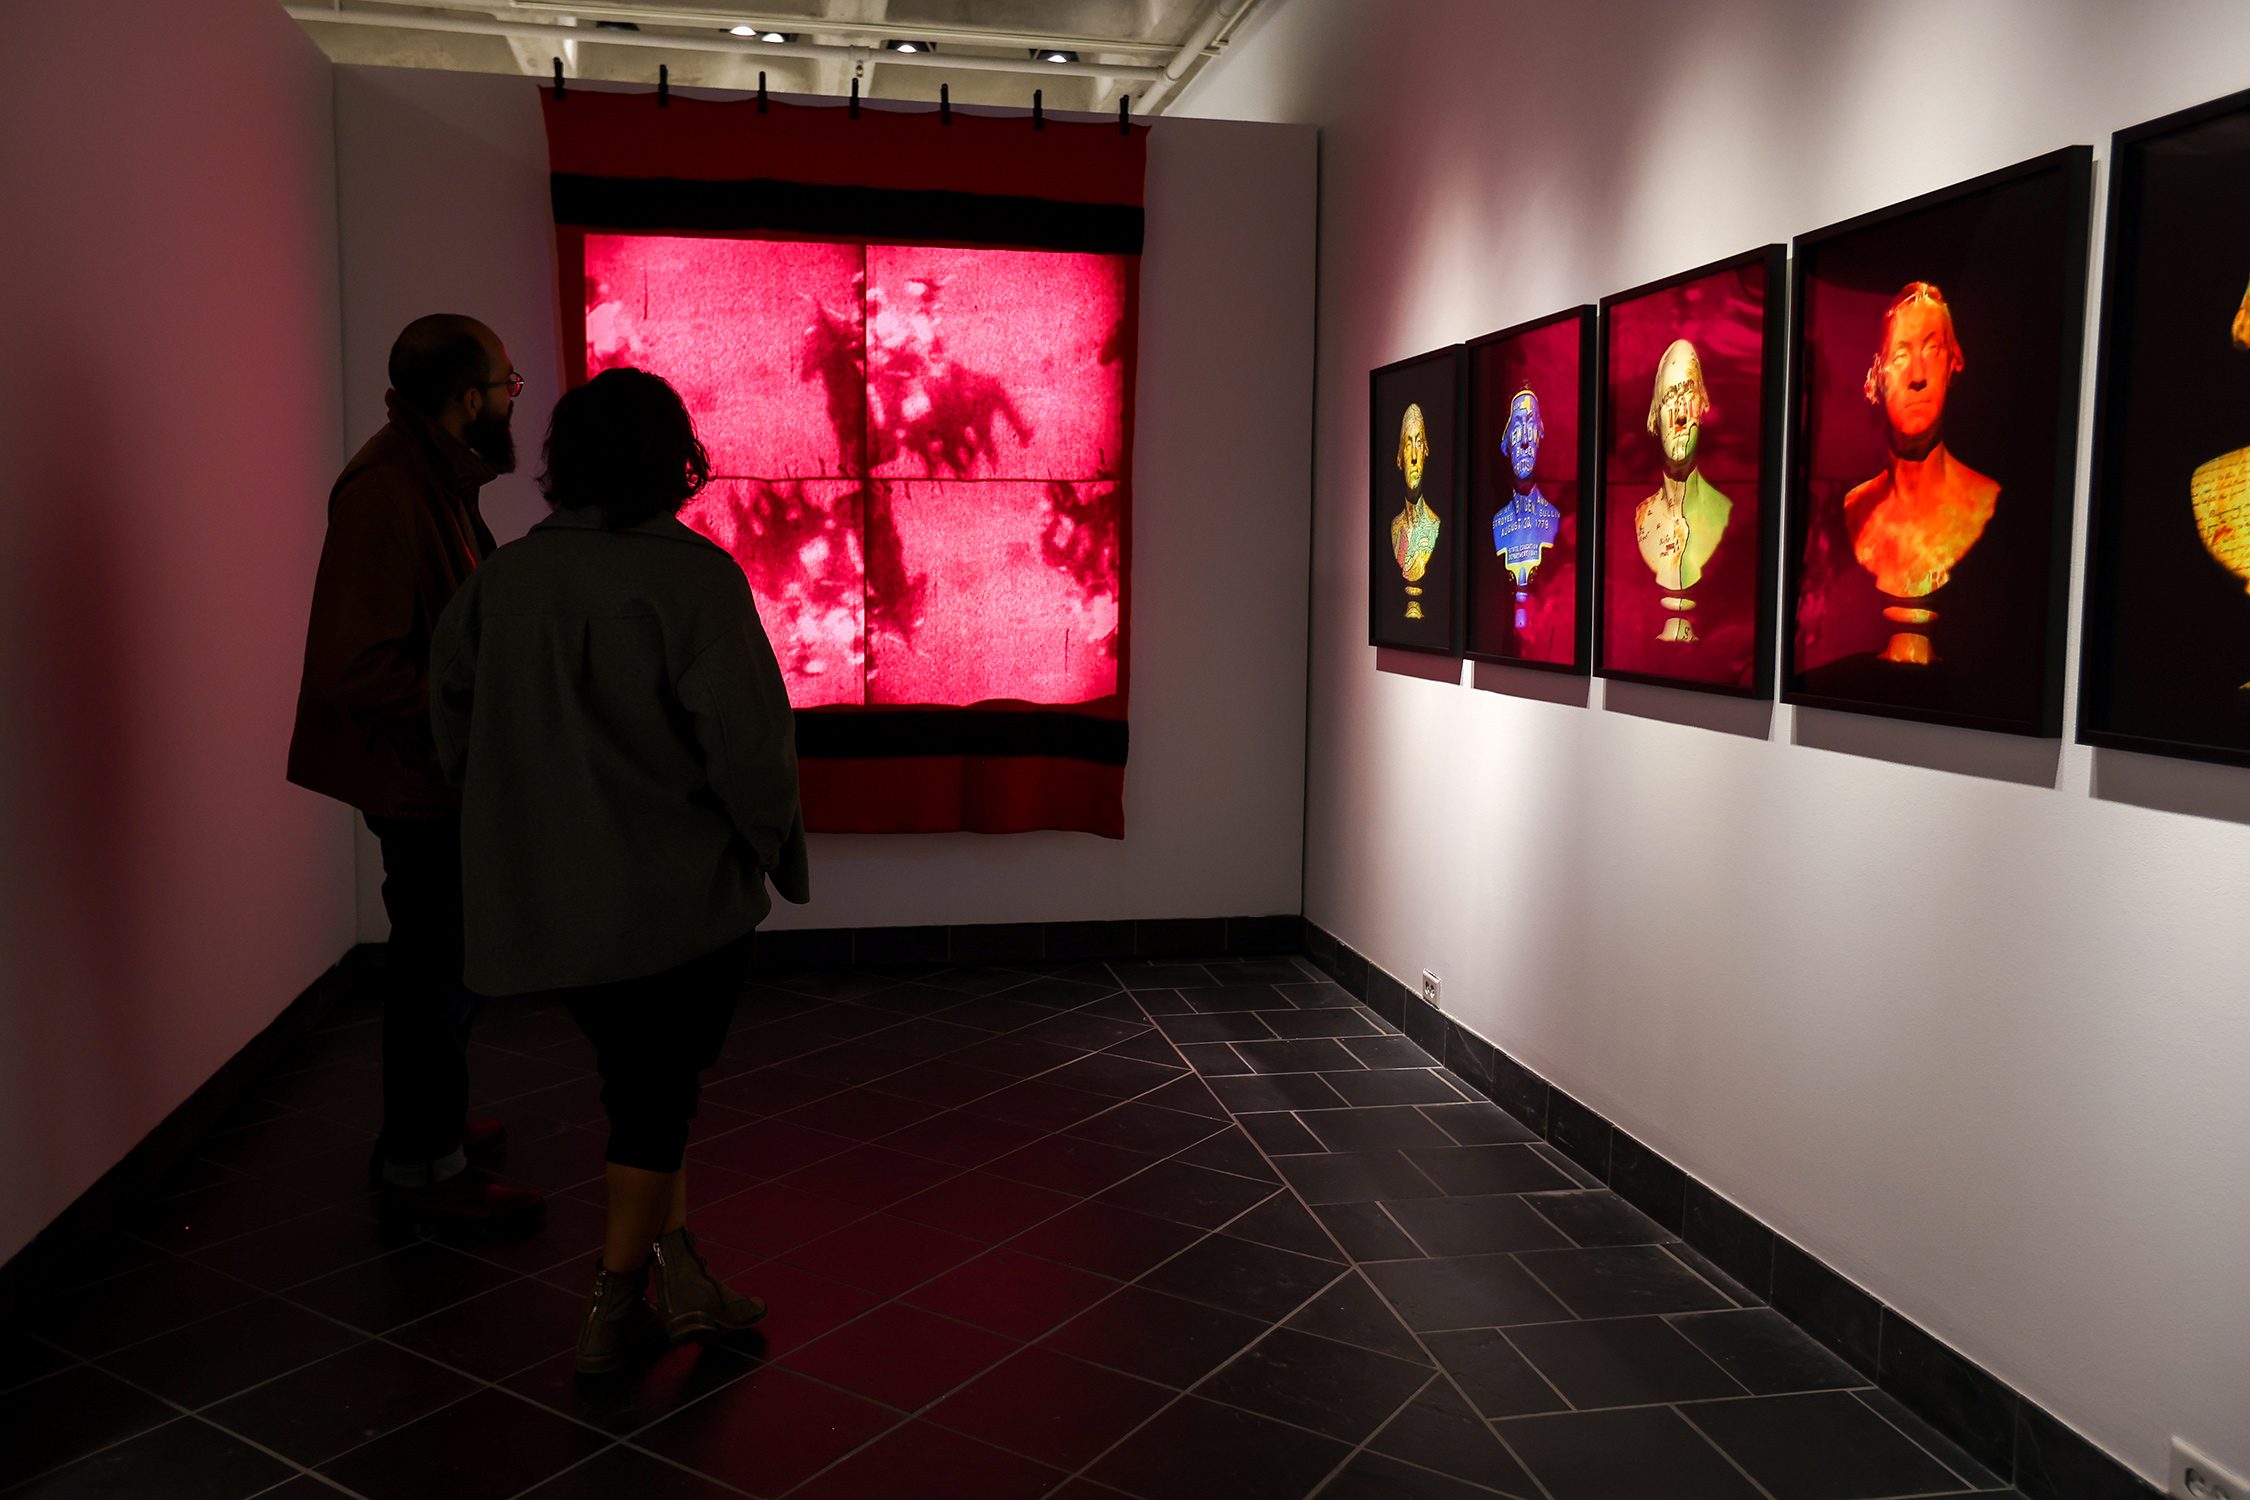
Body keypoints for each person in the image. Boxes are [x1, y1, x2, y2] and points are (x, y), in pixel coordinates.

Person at [430, 367, 809, 1376]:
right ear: (671, 457)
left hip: (555, 900)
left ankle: (682, 1280)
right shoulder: (693, 581)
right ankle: (612, 1311)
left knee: (642, 1082)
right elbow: (751, 751)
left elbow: (454, 729)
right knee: (655, 1100)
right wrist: (772, 845)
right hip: (679, 900)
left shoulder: (501, 582)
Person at [287, 313, 543, 1230]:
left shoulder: (433, 476)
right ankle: (423, 1165)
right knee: (436, 970)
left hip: (436, 772)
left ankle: (425, 1128)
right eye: (509, 385)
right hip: (419, 779)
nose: (516, 400)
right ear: (467, 398)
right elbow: (354, 666)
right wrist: (471, 704)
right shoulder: (389, 492)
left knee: (446, 963)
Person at [1843, 282, 2000, 664]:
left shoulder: (1987, 504)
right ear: (1877, 375)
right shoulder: (1853, 510)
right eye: (1901, 354)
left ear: (1953, 363)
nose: (1917, 374)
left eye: (1932, 350)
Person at [1631, 338, 1732, 643]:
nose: (1680, 417)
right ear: (1653, 418)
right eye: (1669, 401)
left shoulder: (1726, 513)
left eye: (1688, 396)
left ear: (1704, 409)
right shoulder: (1640, 517)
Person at [1491, 386, 1561, 631]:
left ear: (1540, 435)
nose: (1523, 441)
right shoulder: (1496, 523)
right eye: (1517, 427)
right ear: (1505, 444)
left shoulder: (1555, 518)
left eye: (1530, 425)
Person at [1390, 402, 1441, 619]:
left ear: (1426, 452)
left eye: (1419, 444)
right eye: (1408, 444)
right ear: (1399, 457)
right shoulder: (1395, 527)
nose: (1413, 457)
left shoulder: (1434, 524)